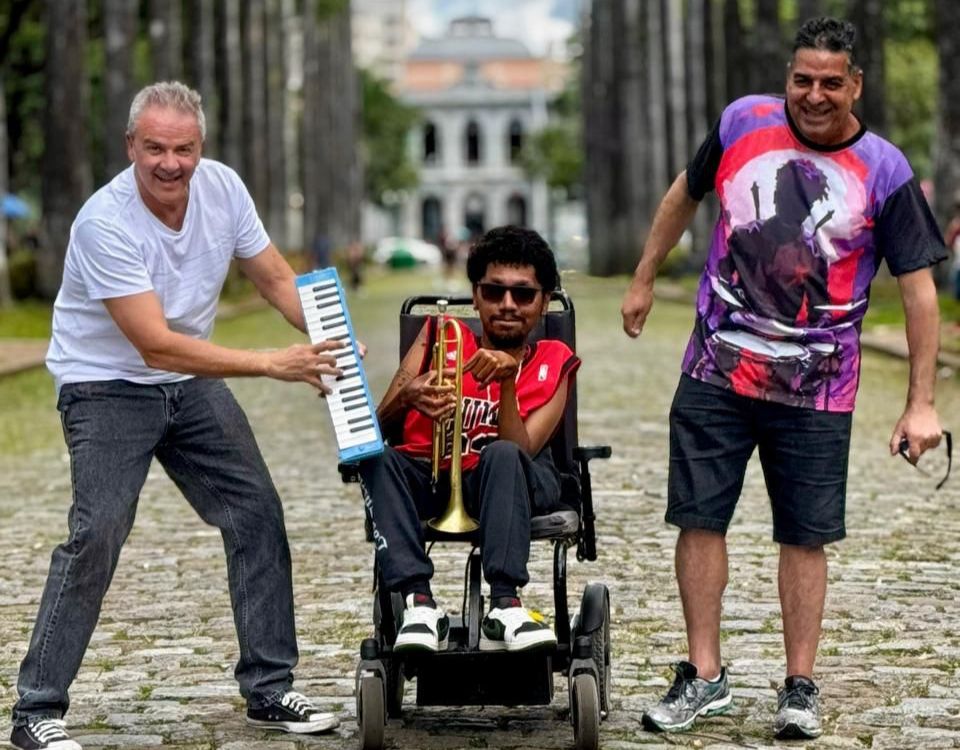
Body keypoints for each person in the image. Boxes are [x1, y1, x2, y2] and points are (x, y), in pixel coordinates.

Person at [620, 17, 946, 741]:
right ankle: (704, 674)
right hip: (716, 367)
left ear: (856, 85)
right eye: (803, 79)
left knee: (805, 534)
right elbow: (684, 192)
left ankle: (799, 686)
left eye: (831, 82)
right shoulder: (743, 121)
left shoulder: (884, 169)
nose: (815, 95)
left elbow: (919, 291)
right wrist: (643, 277)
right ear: (787, 79)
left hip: (817, 389)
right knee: (698, 517)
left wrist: (921, 403)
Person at [10, 82, 345, 750]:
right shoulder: (104, 223)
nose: (170, 163)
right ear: (131, 146)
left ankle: (268, 688)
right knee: (98, 531)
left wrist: (330, 342)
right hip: (106, 385)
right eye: (155, 148)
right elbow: (154, 344)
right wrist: (271, 363)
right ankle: (35, 711)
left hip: (188, 384)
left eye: (184, 149)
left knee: (256, 512)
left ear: (201, 147)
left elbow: (277, 278)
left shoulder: (223, 189)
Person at [359, 225, 579, 653]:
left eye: (524, 294)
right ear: (476, 296)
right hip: (433, 477)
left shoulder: (556, 360)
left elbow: (523, 450)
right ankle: (419, 603)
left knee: (502, 454)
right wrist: (406, 397)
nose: (508, 304)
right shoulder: (438, 337)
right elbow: (374, 429)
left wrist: (508, 383)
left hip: (513, 482)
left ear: (544, 301)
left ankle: (505, 604)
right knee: (374, 457)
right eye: (494, 291)